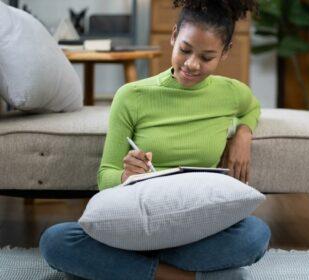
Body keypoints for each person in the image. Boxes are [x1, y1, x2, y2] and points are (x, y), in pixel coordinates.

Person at [39, 0, 271, 279]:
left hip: (194, 223)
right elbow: (105, 177)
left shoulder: (231, 92)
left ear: (225, 53)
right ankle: (183, 276)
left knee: (256, 234)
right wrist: (125, 174)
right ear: (173, 36)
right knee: (55, 241)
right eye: (185, 50)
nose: (192, 64)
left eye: (207, 57)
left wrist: (243, 134)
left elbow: (251, 107)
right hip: (137, 220)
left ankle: (125, 267)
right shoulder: (132, 96)